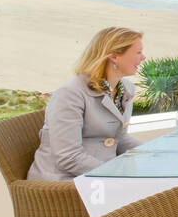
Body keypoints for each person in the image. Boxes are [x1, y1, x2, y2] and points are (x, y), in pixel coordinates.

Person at [28, 27, 145, 181]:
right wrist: (115, 174)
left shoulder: (125, 90)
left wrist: (153, 153)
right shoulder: (70, 94)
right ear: (114, 57)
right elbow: (68, 157)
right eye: (138, 52)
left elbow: (119, 138)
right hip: (62, 183)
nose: (143, 57)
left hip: (98, 175)